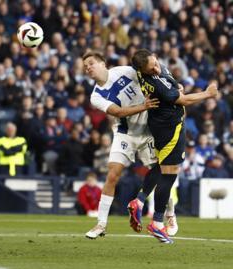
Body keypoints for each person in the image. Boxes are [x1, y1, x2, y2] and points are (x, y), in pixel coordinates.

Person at [128, 49, 218, 243]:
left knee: (160, 167)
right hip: (171, 129)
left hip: (158, 124)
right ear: (143, 70)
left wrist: (174, 83)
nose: (156, 67)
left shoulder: (146, 71)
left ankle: (139, 200)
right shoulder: (157, 84)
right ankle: (158, 223)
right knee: (169, 175)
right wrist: (208, 94)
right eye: (151, 67)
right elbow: (183, 99)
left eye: (156, 62)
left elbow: (175, 83)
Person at [82, 51, 160, 239]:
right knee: (112, 174)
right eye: (85, 67)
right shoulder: (96, 96)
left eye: (91, 63)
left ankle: (168, 216)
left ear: (103, 63)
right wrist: (144, 106)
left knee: (160, 175)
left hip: (148, 130)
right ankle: (101, 224)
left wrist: (174, 88)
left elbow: (152, 77)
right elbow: (117, 111)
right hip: (125, 133)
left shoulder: (124, 71)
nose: (88, 68)